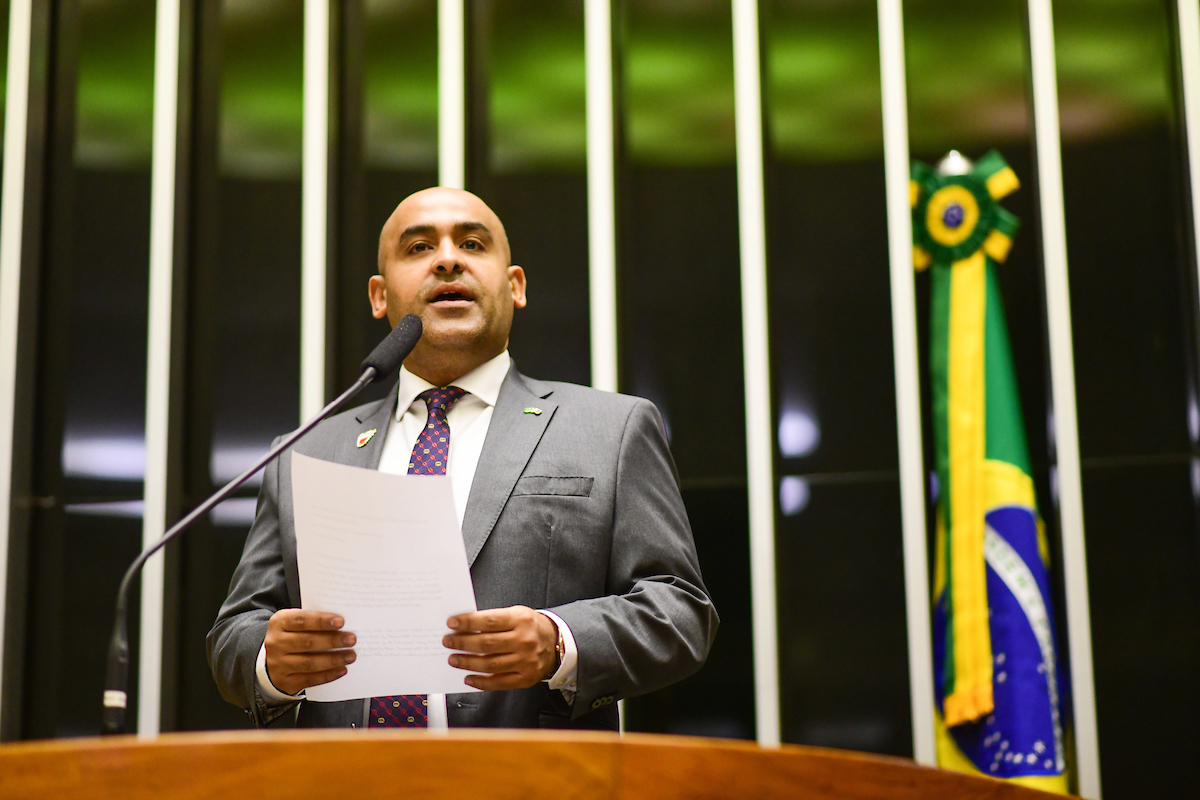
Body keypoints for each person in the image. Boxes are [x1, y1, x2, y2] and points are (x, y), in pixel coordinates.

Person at [207, 187, 717, 730]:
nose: (448, 259)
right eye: (419, 248)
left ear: (515, 286)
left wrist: (558, 641)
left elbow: (679, 612)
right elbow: (235, 634)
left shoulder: (610, 430)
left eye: (472, 243)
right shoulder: (306, 452)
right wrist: (270, 662)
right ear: (379, 297)